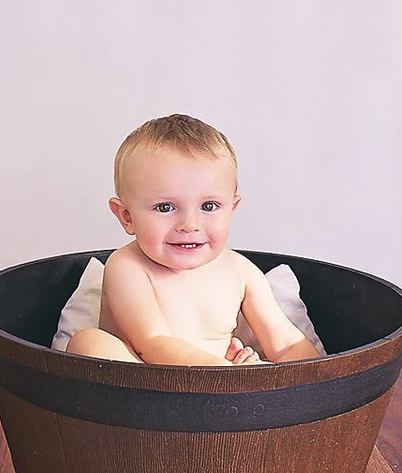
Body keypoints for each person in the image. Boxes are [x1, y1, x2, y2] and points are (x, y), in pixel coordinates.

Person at [66, 114, 321, 366]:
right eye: (165, 207)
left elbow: (287, 344)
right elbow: (152, 341)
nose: (189, 225)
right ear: (126, 216)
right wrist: (223, 372)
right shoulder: (127, 266)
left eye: (209, 206)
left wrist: (292, 377)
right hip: (147, 386)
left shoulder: (241, 271)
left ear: (232, 208)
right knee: (87, 342)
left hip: (219, 397)